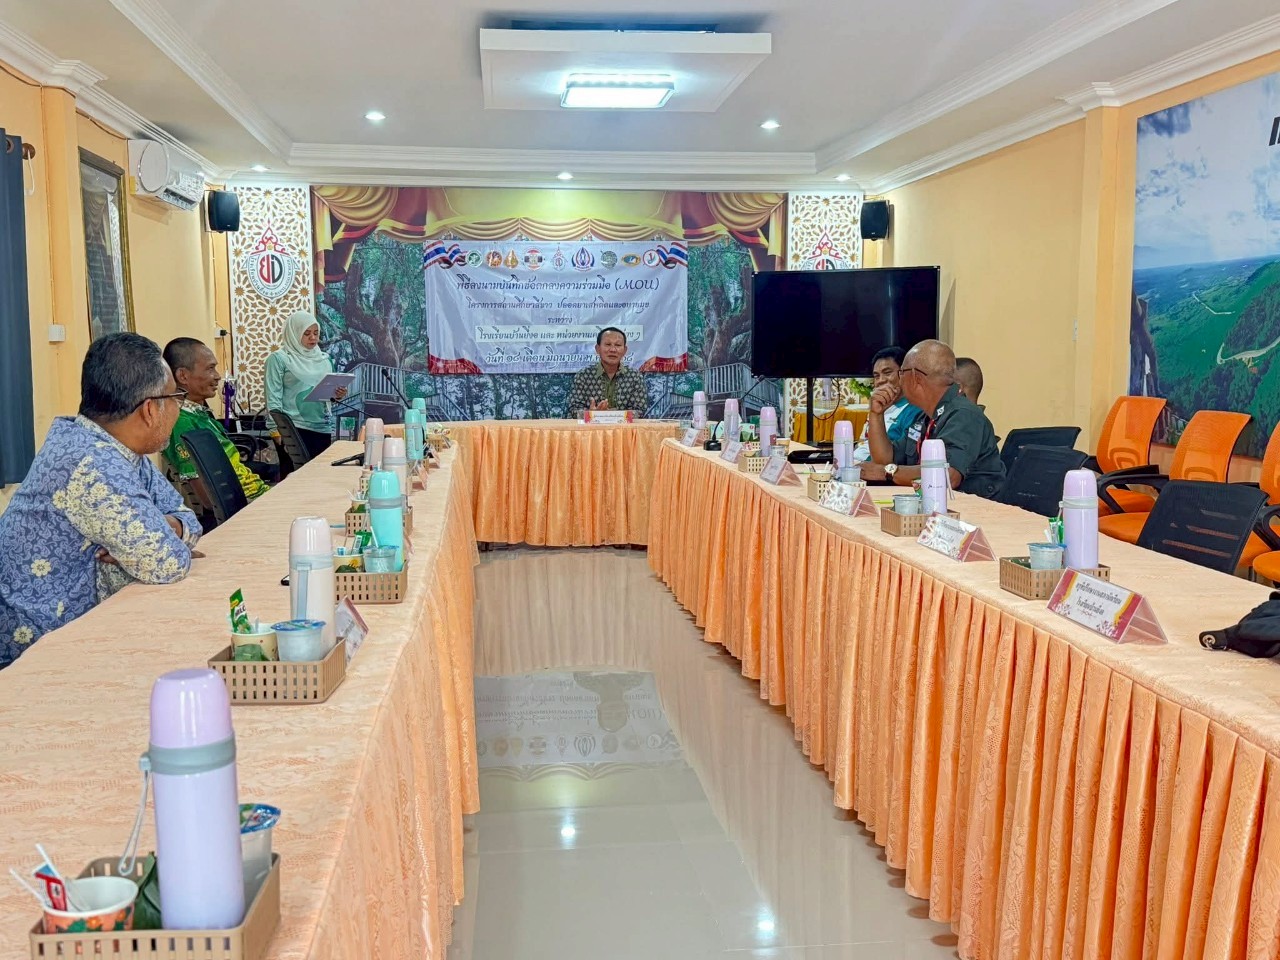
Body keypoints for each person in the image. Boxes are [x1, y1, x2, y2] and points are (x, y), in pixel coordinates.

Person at [0, 333, 202, 669]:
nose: (177, 408)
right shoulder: (93, 463)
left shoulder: (111, 445)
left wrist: (171, 527)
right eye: (175, 398)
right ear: (150, 409)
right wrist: (162, 536)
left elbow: (187, 517)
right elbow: (168, 564)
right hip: (37, 649)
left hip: (75, 625)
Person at [860, 339, 1005, 498]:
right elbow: (885, 459)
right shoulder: (924, 416)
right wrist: (876, 414)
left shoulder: (964, 414)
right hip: (933, 503)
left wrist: (887, 472)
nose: (900, 381)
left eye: (901, 373)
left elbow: (947, 476)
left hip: (970, 507)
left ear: (915, 377)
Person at [162, 337, 270, 502]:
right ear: (183, 376)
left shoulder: (196, 414)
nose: (218, 376)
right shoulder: (182, 423)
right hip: (247, 504)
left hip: (258, 494)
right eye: (210, 368)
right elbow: (211, 500)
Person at [264, 311, 345, 460]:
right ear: (294, 333)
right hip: (292, 429)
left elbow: (328, 397)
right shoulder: (279, 359)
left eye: (316, 333)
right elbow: (273, 398)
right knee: (294, 473)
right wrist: (276, 431)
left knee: (319, 473)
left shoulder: (325, 360)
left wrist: (337, 395)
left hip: (322, 427)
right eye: (306, 333)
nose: (313, 338)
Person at [852, 346, 921, 463]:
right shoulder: (878, 406)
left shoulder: (915, 410)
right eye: (876, 376)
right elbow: (863, 443)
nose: (880, 380)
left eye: (887, 373)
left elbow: (891, 459)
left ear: (904, 374)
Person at [566, 327, 648, 417]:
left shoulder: (635, 377)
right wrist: (591, 414)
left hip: (624, 426)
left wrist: (608, 415)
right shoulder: (583, 376)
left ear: (625, 351)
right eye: (608, 344)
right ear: (597, 349)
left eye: (618, 345)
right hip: (591, 426)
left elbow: (640, 411)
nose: (613, 349)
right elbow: (573, 410)